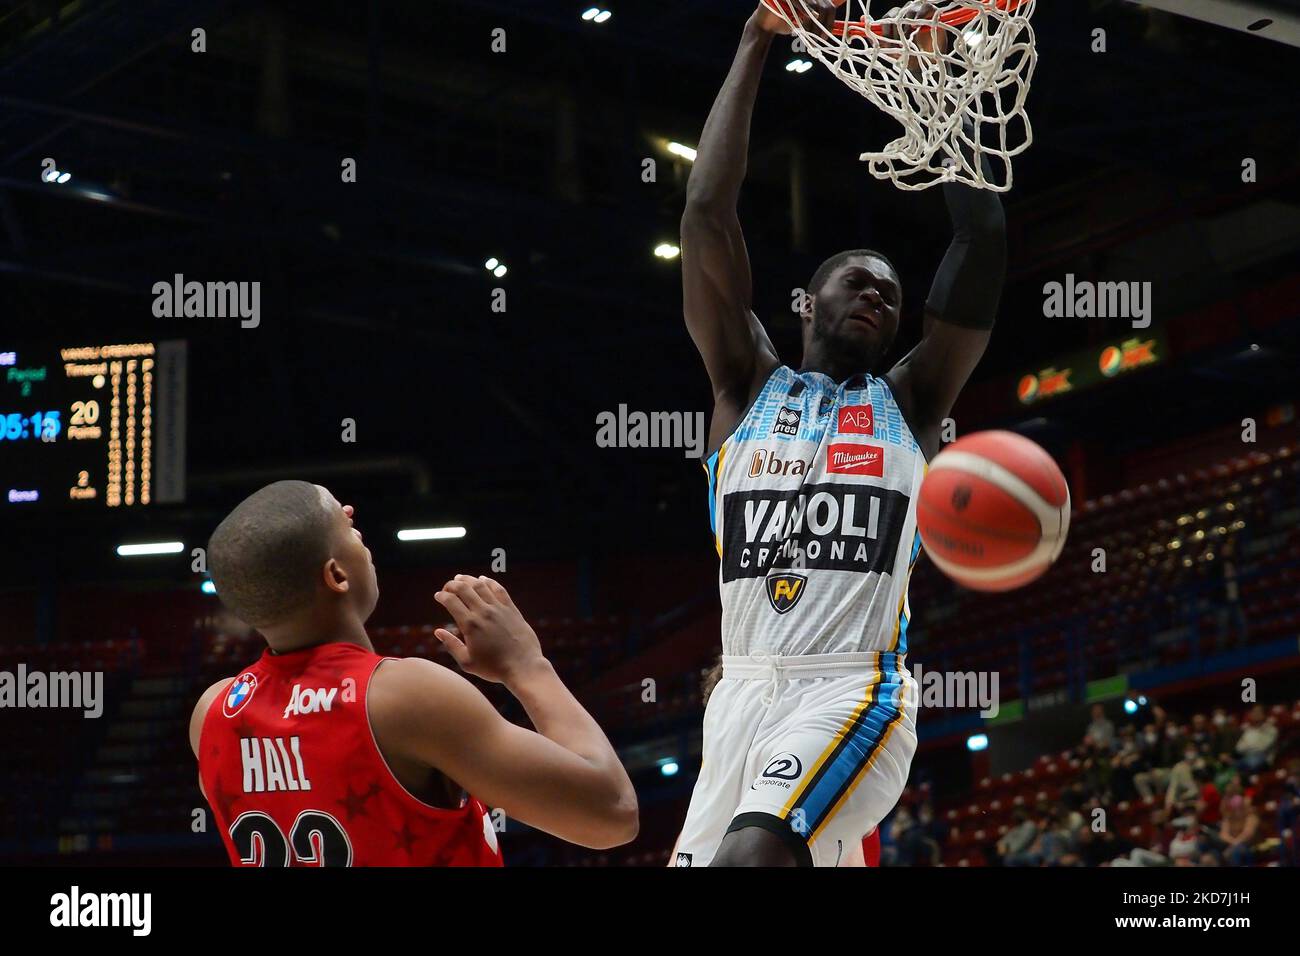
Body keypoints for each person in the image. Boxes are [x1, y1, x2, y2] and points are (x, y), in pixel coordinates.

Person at [672, 0, 1008, 868]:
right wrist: (754, 41)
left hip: (851, 688)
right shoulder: (744, 384)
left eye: (892, 293)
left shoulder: (912, 401)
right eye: (858, 281)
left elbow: (982, 235)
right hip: (738, 694)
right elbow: (707, 211)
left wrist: (938, 88)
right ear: (808, 301)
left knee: (755, 857)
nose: (877, 295)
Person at [190, 480, 637, 866]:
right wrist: (527, 668)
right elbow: (612, 814)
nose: (350, 512)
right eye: (343, 522)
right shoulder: (401, 696)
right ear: (337, 575)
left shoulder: (212, 713)